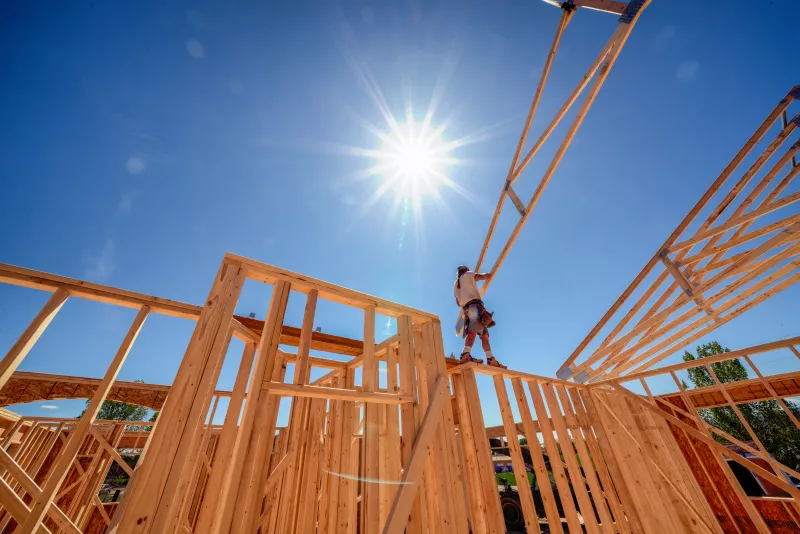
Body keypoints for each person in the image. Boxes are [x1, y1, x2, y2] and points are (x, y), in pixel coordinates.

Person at [454, 265, 506, 368]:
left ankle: (490, 359)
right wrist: (489, 275)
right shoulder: (468, 274)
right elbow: (481, 277)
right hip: (474, 307)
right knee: (473, 330)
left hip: (469, 308)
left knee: (484, 335)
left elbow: (457, 302)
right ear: (466, 270)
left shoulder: (456, 284)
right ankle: (465, 355)